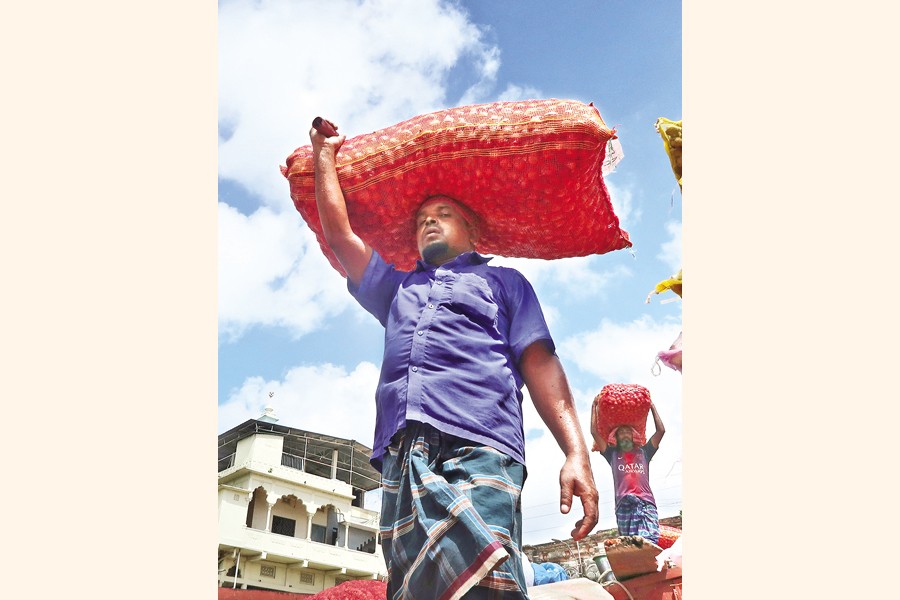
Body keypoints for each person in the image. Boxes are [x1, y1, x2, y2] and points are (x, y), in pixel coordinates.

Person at [310, 122, 599, 599]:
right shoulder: (397, 287)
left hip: (481, 444)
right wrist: (324, 154)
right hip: (403, 454)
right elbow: (342, 238)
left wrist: (576, 453)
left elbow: (541, 364)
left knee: (486, 584)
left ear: (471, 230)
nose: (429, 221)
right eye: (422, 217)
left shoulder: (505, 283)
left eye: (443, 214)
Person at [590, 400, 665, 544]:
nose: (624, 435)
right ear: (616, 438)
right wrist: (594, 407)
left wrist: (652, 406)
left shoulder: (645, 452)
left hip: (645, 503)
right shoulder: (611, 454)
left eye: (627, 432)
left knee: (649, 540)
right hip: (623, 505)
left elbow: (661, 431)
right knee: (629, 544)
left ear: (633, 436)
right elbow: (594, 432)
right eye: (621, 433)